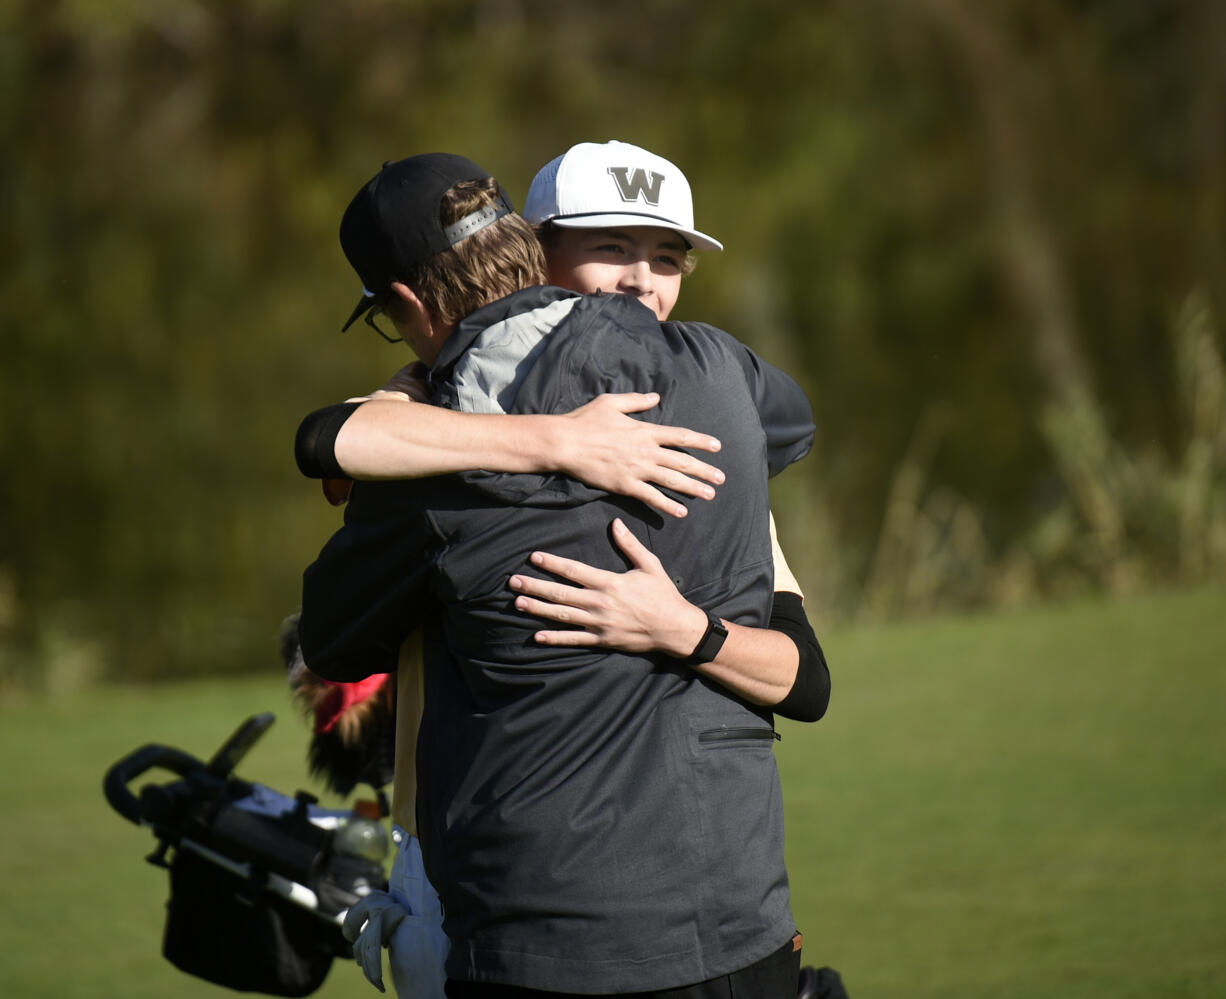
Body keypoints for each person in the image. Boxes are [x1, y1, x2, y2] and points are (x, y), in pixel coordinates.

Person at [299, 153, 824, 996]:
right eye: (613, 247)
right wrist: (554, 438)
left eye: (666, 257)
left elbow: (328, 632)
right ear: (528, 247)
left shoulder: (433, 466)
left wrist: (412, 407)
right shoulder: (726, 377)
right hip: (742, 925)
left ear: (404, 305)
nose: (642, 281)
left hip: (543, 946)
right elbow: (791, 426)